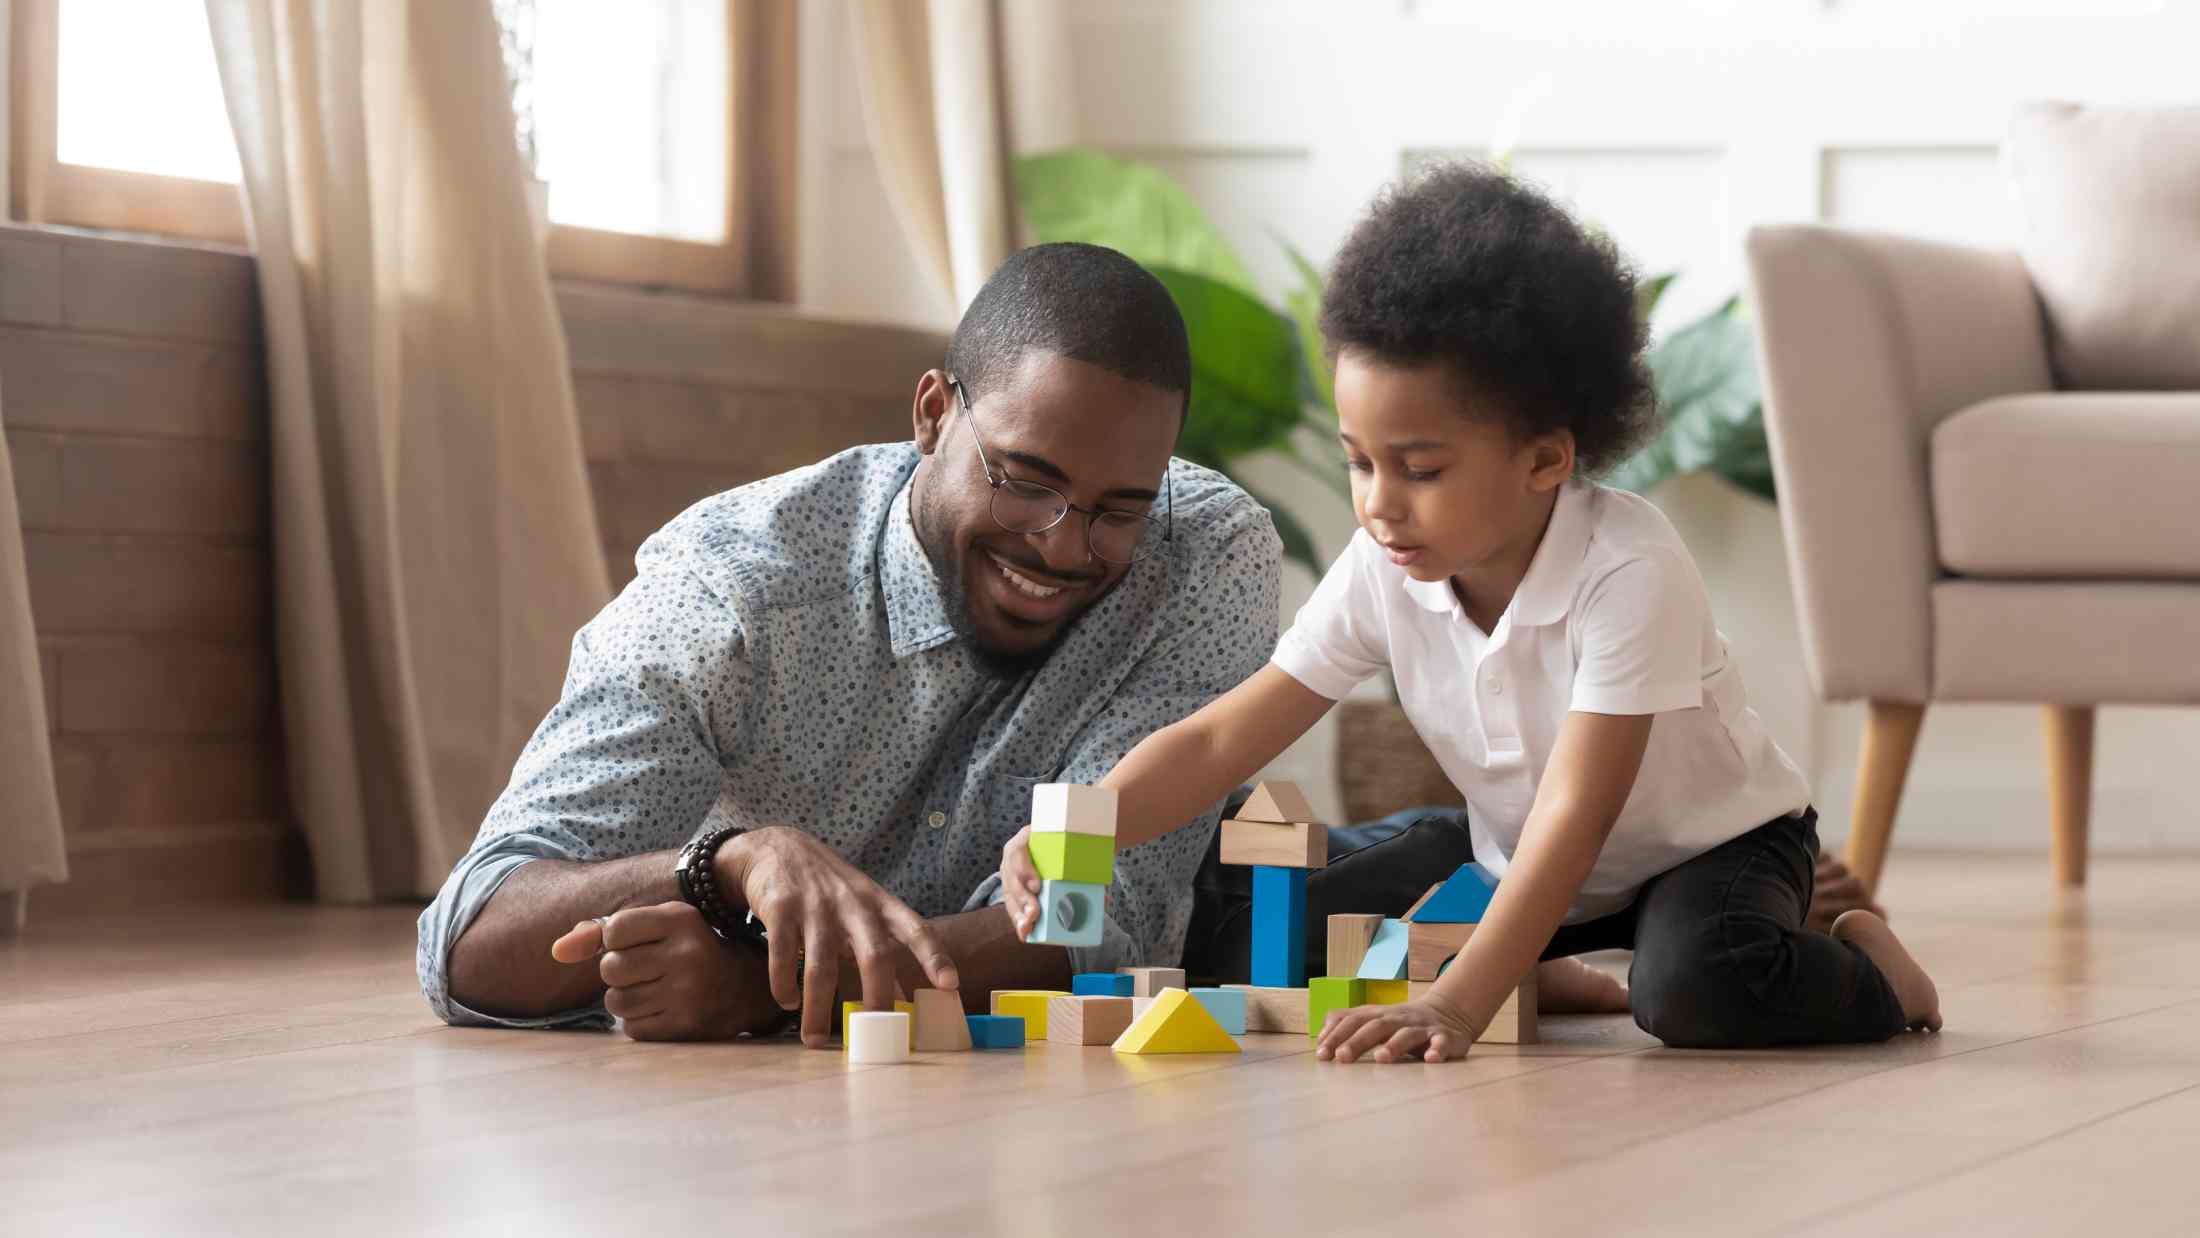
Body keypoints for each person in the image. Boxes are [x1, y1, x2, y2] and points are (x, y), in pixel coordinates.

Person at [1000, 163, 1942, 1061]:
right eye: (1360, 461)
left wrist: (1457, 1001)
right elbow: (1220, 742)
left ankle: (1876, 973)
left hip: (1703, 854)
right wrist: (1078, 827)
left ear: (1545, 460)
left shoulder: (1629, 567)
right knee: (1247, 940)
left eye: (1421, 469)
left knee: (1696, 989)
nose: (1378, 503)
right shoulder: (1385, 562)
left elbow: (1577, 812)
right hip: (1507, 854)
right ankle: (1545, 966)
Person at [416, 242, 1282, 1046]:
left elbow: (1099, 923)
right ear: (934, 412)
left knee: (1400, 872)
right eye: (1024, 481)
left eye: (1118, 510)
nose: (1063, 546)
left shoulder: (1202, 555)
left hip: (1226, 917)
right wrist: (728, 867)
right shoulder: (732, 591)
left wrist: (770, 986)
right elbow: (469, 938)